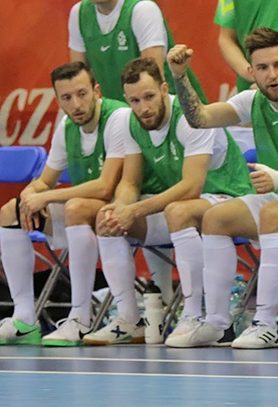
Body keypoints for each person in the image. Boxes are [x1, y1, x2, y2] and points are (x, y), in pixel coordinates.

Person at [163, 28, 278, 349]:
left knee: (271, 214)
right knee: (216, 218)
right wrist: (180, 76)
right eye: (262, 68)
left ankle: (266, 323)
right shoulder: (252, 100)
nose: (272, 75)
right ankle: (219, 324)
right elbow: (201, 119)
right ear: (251, 72)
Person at [83, 57, 252, 345]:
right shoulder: (133, 122)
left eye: (149, 97)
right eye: (134, 100)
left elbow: (191, 186)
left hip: (229, 199)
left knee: (177, 210)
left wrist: (134, 209)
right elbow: (131, 182)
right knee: (106, 218)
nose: (143, 107)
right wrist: (121, 208)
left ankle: (193, 315)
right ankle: (129, 319)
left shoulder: (189, 117)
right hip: (185, 210)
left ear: (164, 89)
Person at [0, 62, 127, 346]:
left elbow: (106, 186)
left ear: (97, 91)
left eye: (82, 94)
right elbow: (45, 181)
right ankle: (24, 320)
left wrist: (45, 197)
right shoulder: (67, 126)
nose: (76, 104)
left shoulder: (118, 117)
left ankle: (80, 319)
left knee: (75, 207)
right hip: (88, 216)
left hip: (127, 213)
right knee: (10, 209)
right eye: (67, 98)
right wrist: (30, 197)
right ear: (58, 100)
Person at [69, 0, 205, 102]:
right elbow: (78, 77)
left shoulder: (142, 9)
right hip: (121, 111)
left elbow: (152, 79)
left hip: (170, 110)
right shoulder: (78, 13)